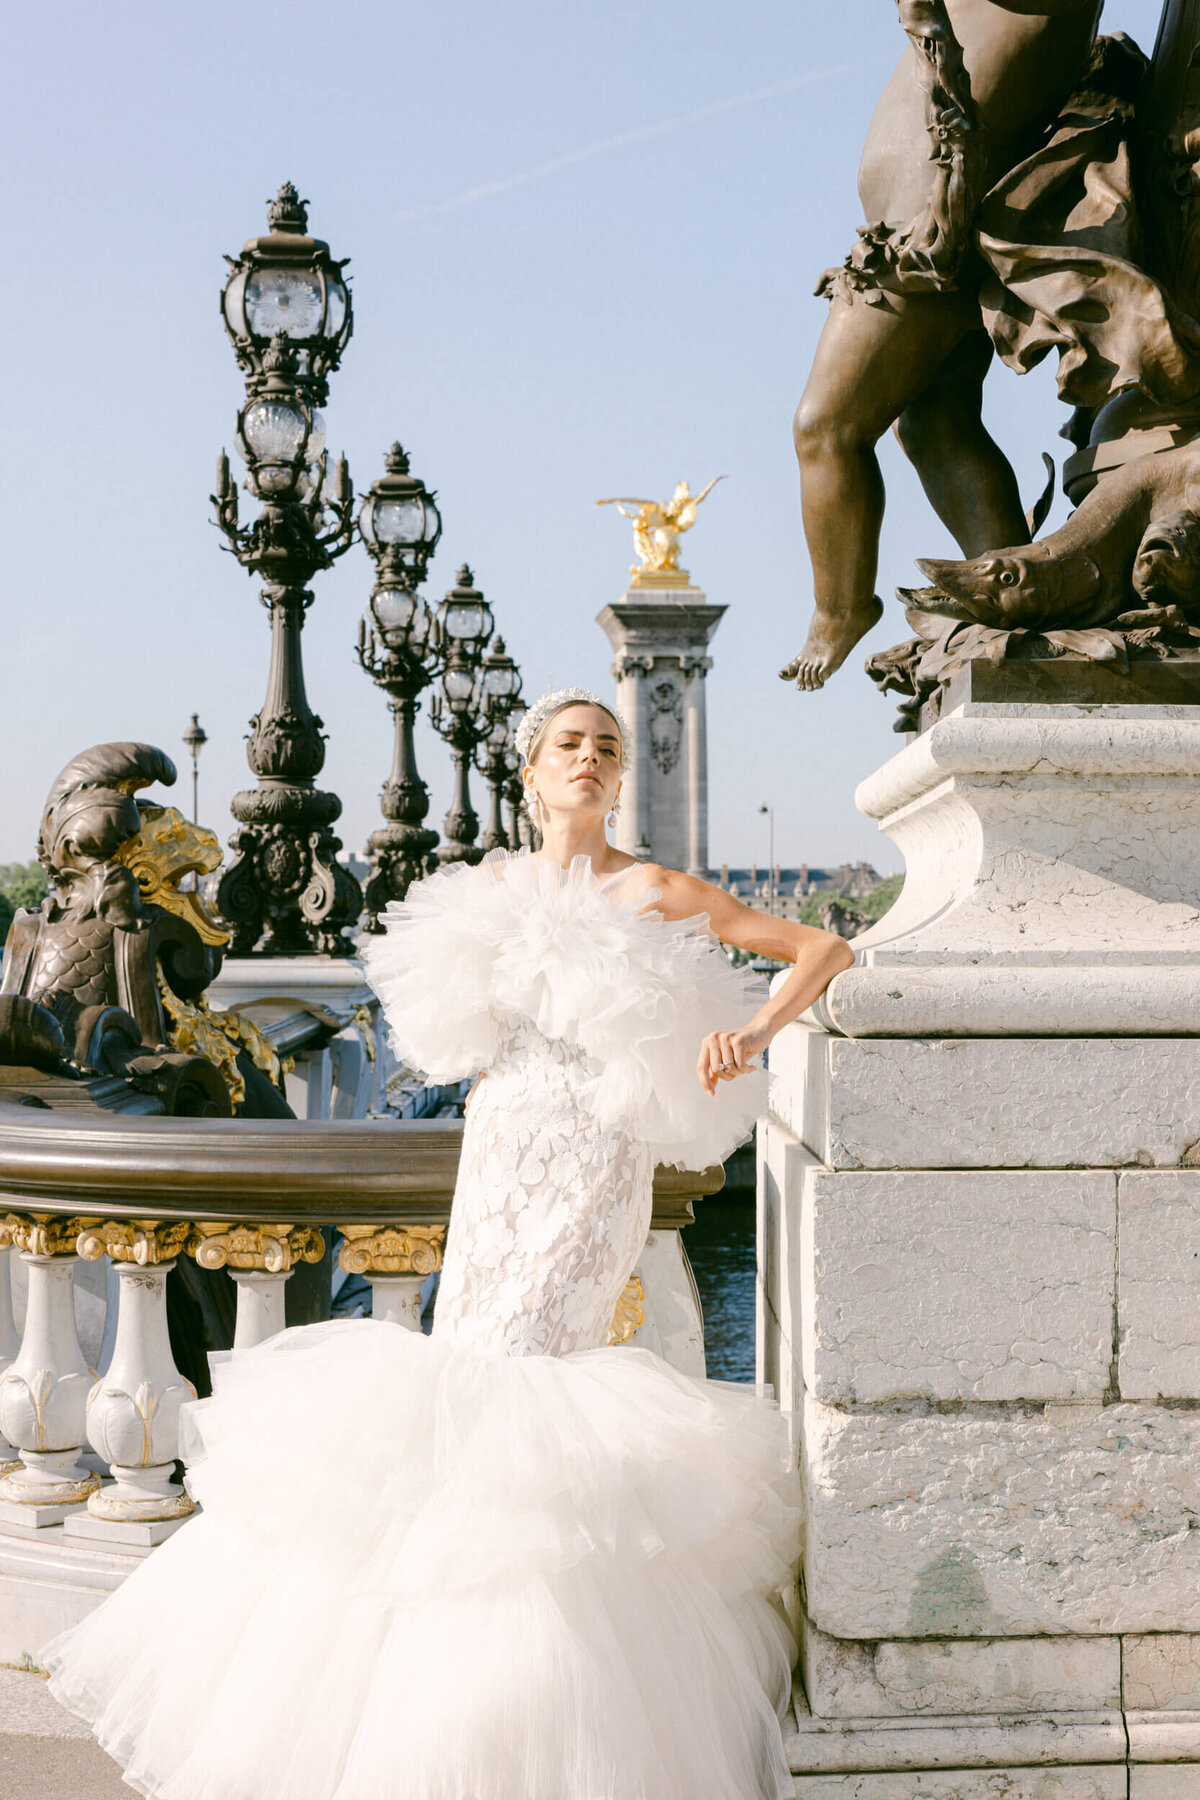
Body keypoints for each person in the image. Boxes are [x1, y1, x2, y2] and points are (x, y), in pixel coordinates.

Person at [41, 686, 854, 1800]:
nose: (590, 759)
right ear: (530, 771)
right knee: (467, 1360)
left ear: (619, 778)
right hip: (504, 1151)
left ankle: (517, 1710)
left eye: (606, 748)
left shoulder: (656, 890)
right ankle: (423, 1705)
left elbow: (821, 946)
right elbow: (461, 1038)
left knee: (532, 1372)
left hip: (597, 1165)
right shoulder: (485, 893)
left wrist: (748, 1032)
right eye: (570, 744)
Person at [783, 0, 1103, 691]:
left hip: (928, 233)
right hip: (923, 221)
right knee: (935, 424)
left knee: (825, 427)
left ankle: (841, 607)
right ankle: (1015, 599)